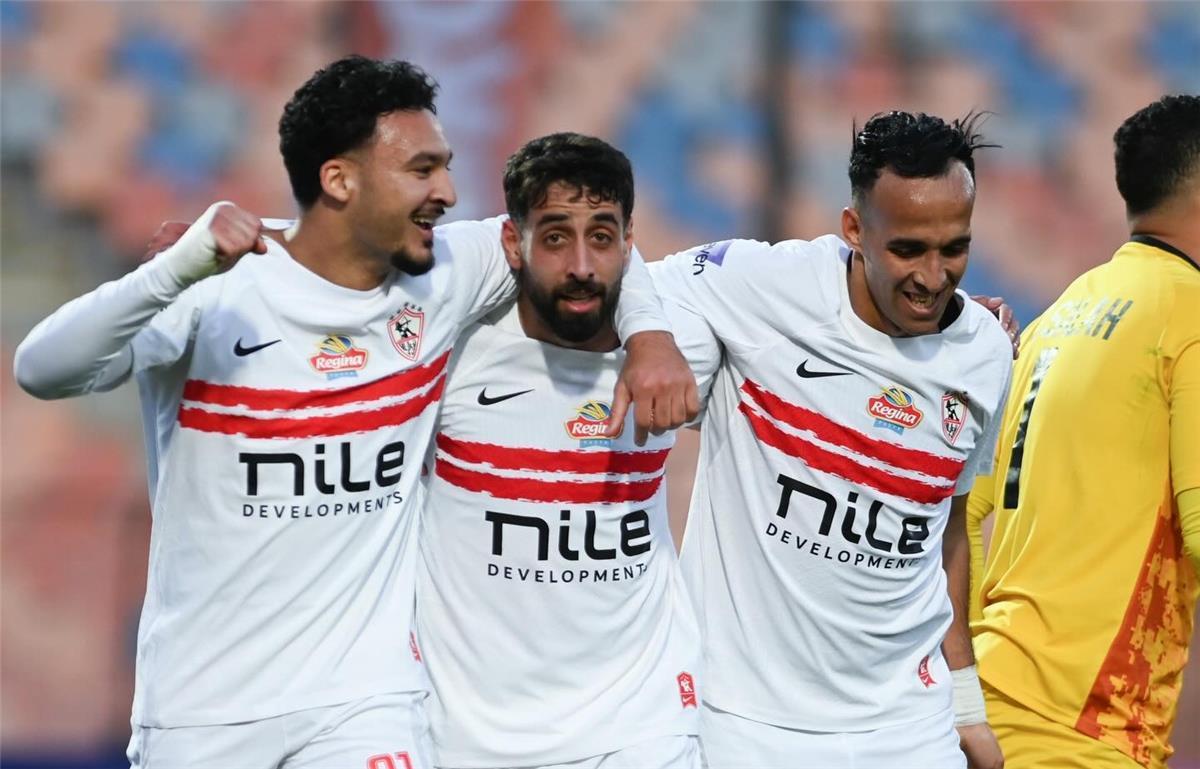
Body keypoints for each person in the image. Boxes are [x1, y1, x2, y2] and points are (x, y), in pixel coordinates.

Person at [12, 56, 694, 769]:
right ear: (339, 181)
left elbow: (589, 235)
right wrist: (173, 269)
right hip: (203, 708)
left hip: (363, 704)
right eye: (421, 170)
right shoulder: (216, 291)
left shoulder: (445, 274)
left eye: (444, 167)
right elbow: (42, 369)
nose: (447, 192)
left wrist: (649, 333)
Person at [647, 111, 1013, 768]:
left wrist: (965, 705)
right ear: (854, 230)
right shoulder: (763, 286)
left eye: (953, 248)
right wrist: (653, 347)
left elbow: (948, 530)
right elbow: (637, 286)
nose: (933, 277)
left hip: (909, 728)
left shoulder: (985, 354)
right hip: (746, 723)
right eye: (907, 250)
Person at [417, 132, 708, 769]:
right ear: (511, 243)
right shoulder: (453, 354)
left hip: (643, 730)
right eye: (554, 238)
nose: (581, 265)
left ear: (629, 244)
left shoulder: (681, 347)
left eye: (601, 238)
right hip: (472, 739)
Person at [967, 94, 1200, 769]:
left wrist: (972, 683)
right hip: (1083, 733)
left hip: (990, 717)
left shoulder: (1058, 317)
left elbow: (966, 511)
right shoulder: (1188, 317)